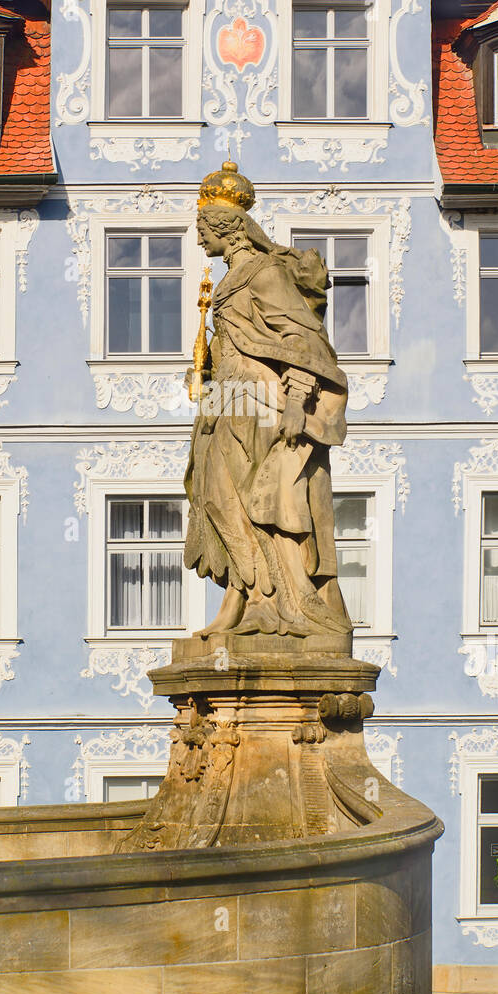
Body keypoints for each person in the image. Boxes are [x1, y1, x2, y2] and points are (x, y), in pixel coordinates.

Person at [184, 161, 352, 638]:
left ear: (223, 226)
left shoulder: (264, 273)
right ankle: (243, 596)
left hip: (259, 402)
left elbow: (304, 339)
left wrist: (298, 401)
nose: (199, 239)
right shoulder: (230, 279)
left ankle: (268, 602)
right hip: (227, 401)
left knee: (256, 502)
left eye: (201, 228)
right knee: (215, 499)